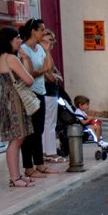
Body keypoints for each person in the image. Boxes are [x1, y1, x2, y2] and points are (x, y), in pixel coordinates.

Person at [0, 26, 36, 188]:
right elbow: (29, 80)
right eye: (17, 38)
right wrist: (24, 60)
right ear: (10, 41)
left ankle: (16, 175)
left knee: (17, 138)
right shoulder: (11, 58)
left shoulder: (2, 58)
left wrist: (24, 59)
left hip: (8, 99)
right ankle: (14, 177)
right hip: (16, 101)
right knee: (17, 139)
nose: (20, 40)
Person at [19, 18, 56, 179]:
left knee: (39, 129)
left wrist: (47, 50)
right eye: (41, 29)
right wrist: (41, 71)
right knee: (29, 131)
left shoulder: (40, 49)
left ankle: (39, 164)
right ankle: (28, 166)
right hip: (28, 94)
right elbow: (30, 73)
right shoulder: (23, 49)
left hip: (40, 92)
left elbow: (49, 68)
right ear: (34, 31)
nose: (43, 32)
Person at [40, 29, 63, 160]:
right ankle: (49, 152)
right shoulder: (43, 54)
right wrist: (55, 77)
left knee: (48, 123)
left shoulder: (45, 54)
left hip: (50, 92)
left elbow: (54, 73)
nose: (50, 43)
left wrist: (55, 76)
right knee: (49, 123)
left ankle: (46, 151)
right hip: (47, 92)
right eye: (47, 40)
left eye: (51, 40)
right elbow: (49, 74)